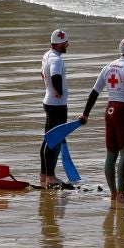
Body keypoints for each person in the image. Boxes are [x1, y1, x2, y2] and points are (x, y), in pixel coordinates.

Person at [80, 38, 124, 205]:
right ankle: (121, 194)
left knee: (110, 154)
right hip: (123, 112)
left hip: (109, 111)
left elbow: (94, 92)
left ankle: (113, 194)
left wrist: (85, 114)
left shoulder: (108, 67)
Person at [39, 29, 70, 186]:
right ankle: (50, 176)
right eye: (65, 43)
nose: (67, 45)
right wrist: (59, 91)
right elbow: (55, 75)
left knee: (47, 139)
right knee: (54, 140)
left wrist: (50, 89)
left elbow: (42, 74)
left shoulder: (47, 55)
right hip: (56, 105)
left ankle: (44, 175)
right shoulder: (56, 60)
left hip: (49, 101)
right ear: (58, 43)